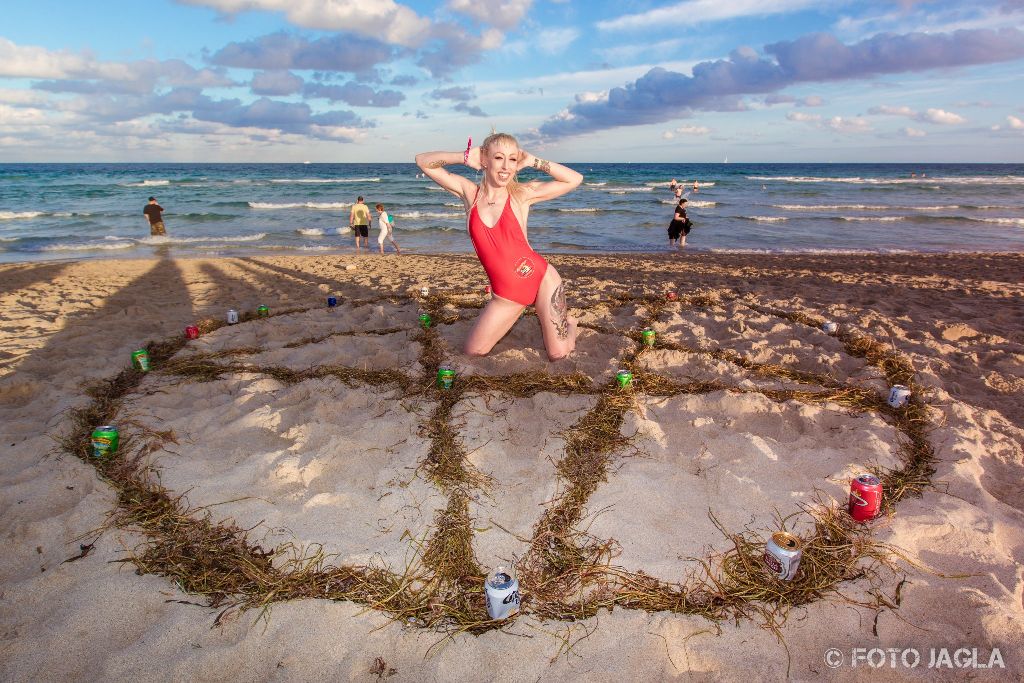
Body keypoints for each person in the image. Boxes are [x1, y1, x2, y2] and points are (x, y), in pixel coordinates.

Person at [415, 132, 582, 361]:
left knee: (558, 353)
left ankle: (571, 325)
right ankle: (554, 320)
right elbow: (423, 162)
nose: (505, 167)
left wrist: (533, 161)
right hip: (506, 296)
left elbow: (574, 179)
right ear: (484, 159)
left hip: (540, 277)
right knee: (472, 352)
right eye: (498, 158)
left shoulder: (521, 194)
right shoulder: (470, 193)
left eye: (512, 159)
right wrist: (464, 157)